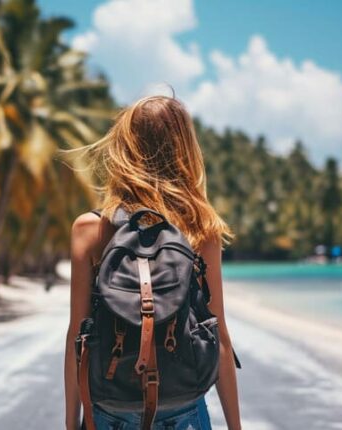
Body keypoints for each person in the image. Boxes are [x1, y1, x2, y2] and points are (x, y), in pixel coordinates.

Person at [63, 95, 242, 429]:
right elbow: (219, 336)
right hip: (184, 407)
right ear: (184, 150)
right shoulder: (201, 230)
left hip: (109, 408)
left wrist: (72, 424)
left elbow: (78, 336)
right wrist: (236, 427)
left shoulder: (90, 229)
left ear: (124, 149)